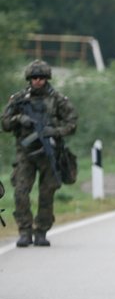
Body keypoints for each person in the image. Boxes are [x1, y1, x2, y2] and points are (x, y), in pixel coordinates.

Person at [1, 60, 77, 247]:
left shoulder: (58, 100)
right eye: (34, 78)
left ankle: (41, 230)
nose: (38, 81)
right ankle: (25, 230)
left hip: (48, 152)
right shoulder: (19, 99)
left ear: (47, 79)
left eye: (41, 78)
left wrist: (55, 131)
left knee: (47, 192)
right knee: (20, 192)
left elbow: (72, 122)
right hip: (25, 153)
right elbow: (5, 123)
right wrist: (20, 118)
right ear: (29, 79)